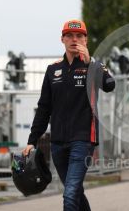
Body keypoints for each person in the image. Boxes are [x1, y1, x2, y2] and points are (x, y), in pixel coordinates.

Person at [22, 19, 115, 211]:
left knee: (70, 195)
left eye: (79, 36)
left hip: (83, 140)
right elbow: (43, 108)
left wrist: (90, 63)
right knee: (76, 192)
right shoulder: (53, 69)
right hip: (58, 143)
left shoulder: (94, 65)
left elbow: (110, 84)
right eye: (70, 36)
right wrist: (32, 140)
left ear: (86, 40)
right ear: (62, 39)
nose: (75, 40)